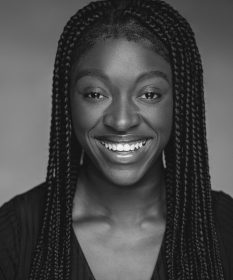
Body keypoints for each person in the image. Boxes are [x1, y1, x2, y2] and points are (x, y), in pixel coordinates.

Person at [0, 0, 232, 279]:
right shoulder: (14, 234)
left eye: (149, 94)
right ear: (67, 102)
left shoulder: (224, 229)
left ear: (181, 101)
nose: (122, 121)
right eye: (96, 94)